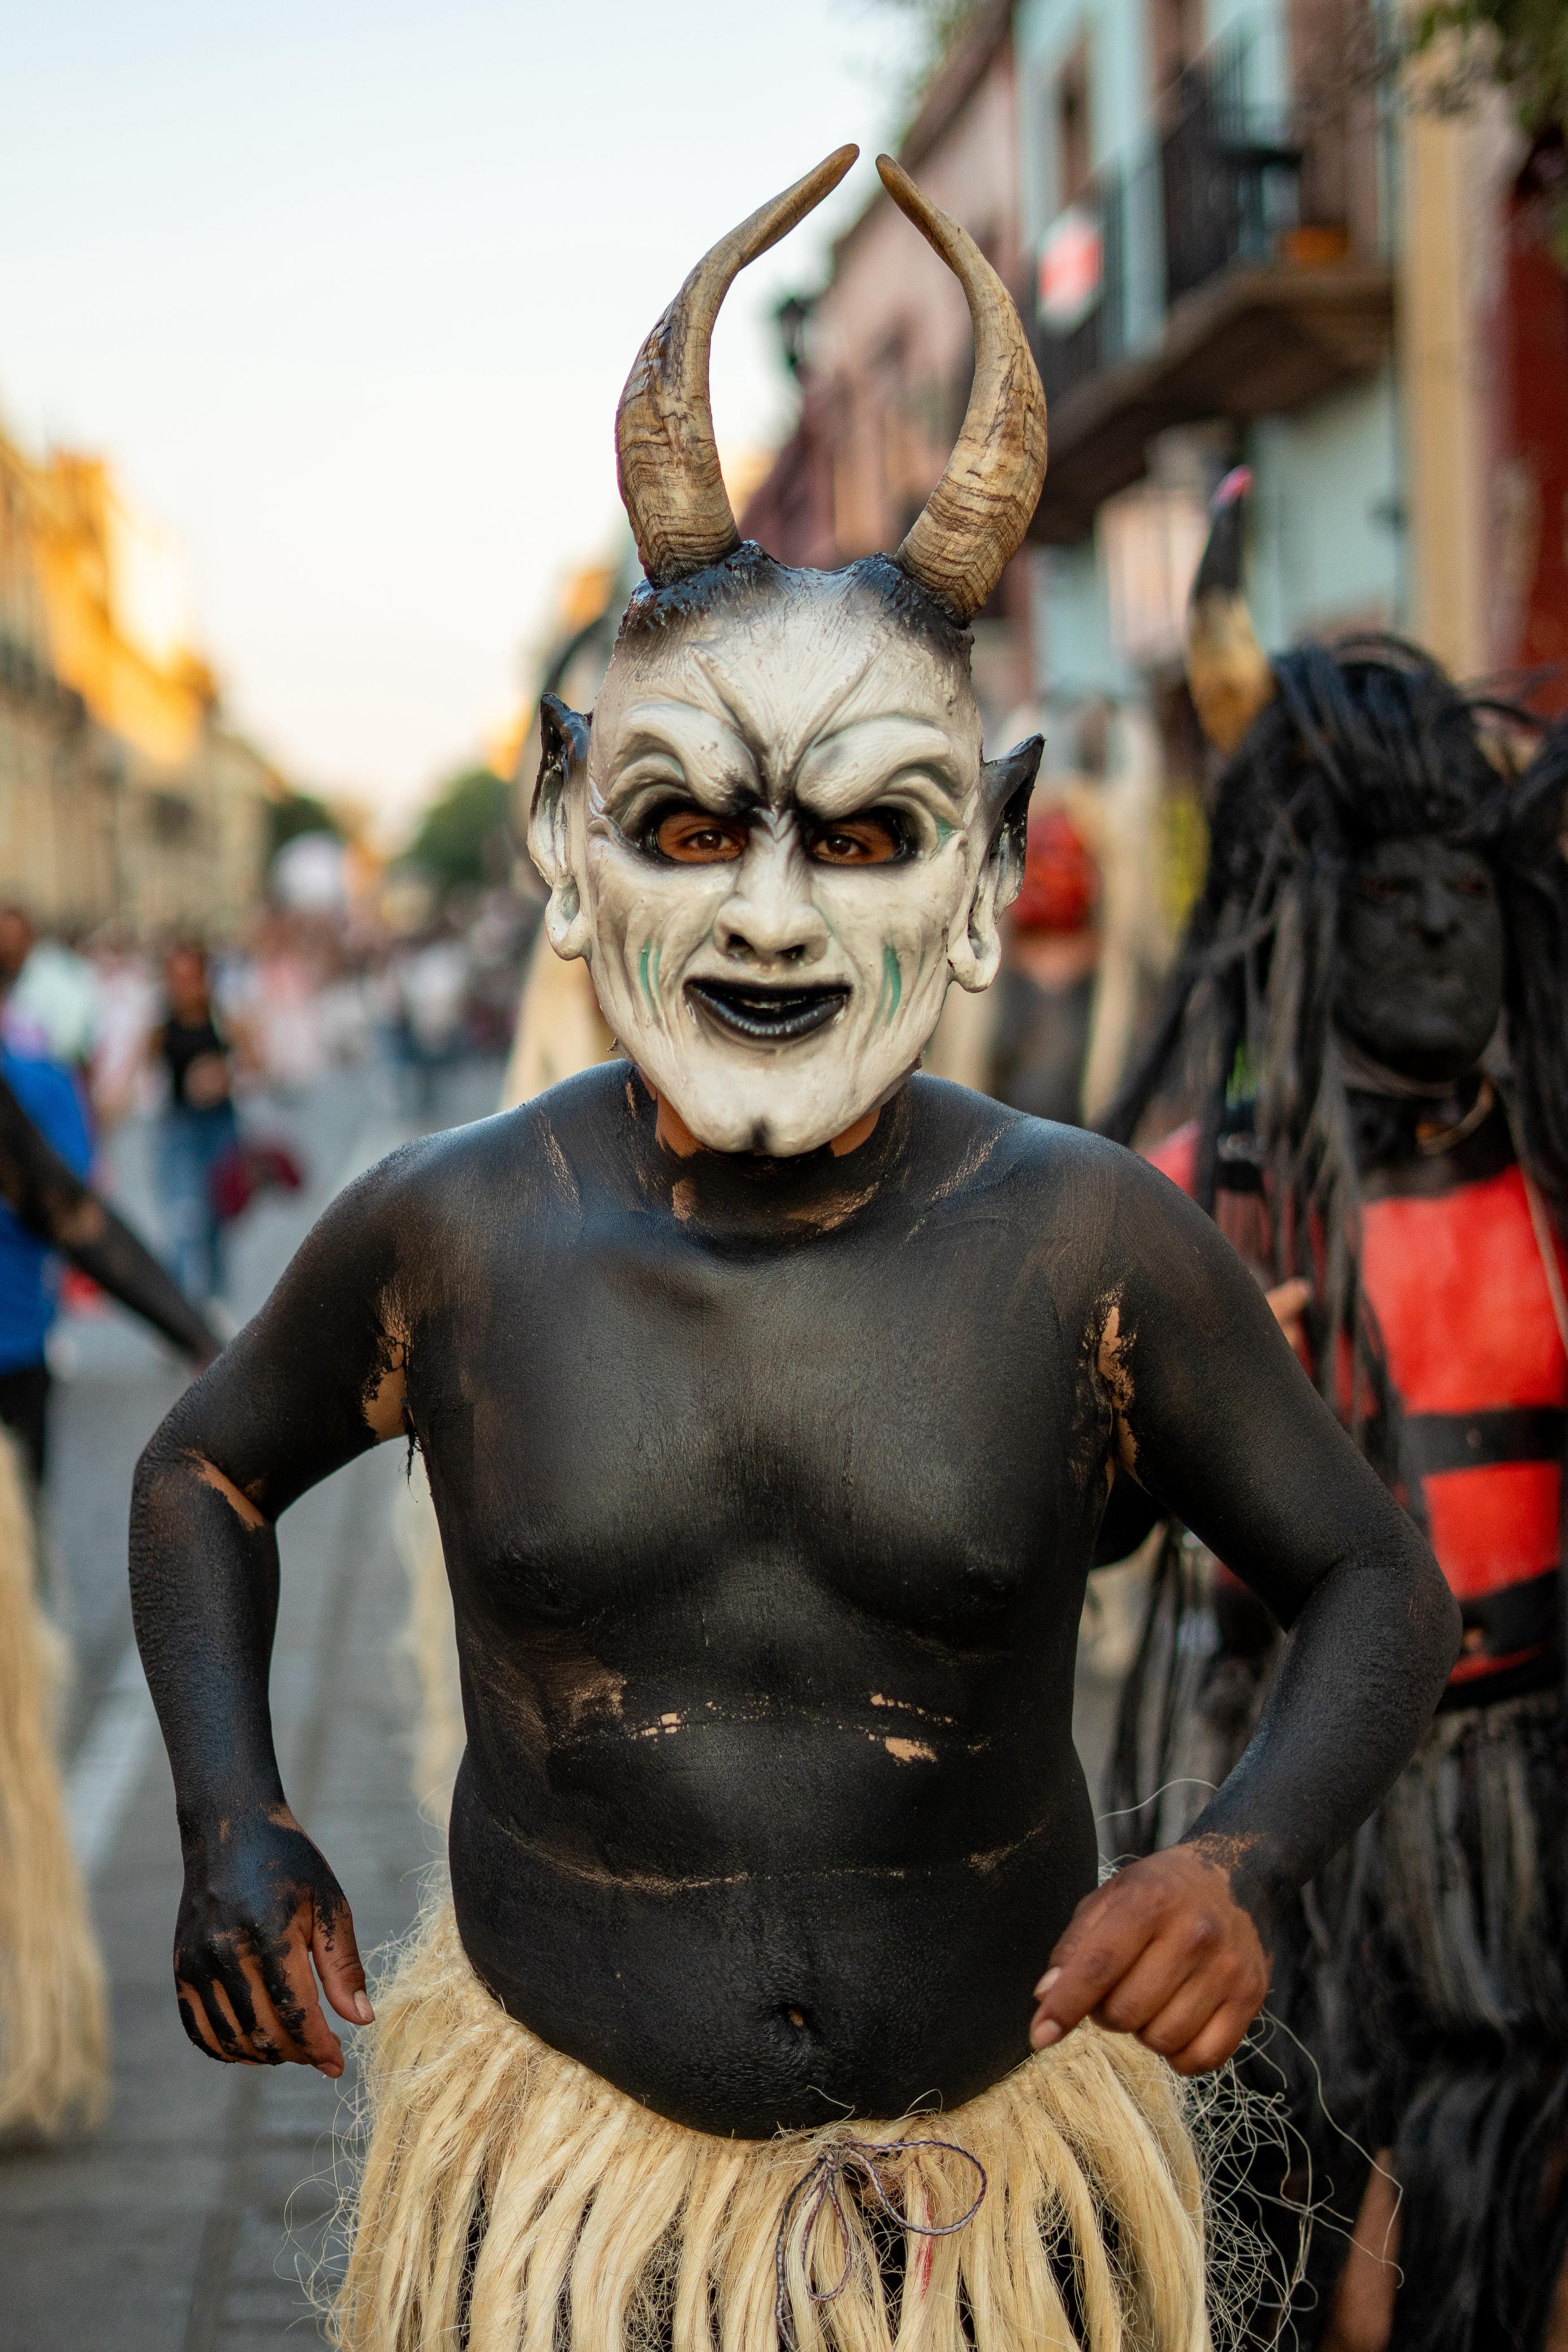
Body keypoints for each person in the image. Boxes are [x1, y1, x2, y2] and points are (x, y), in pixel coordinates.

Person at [129, 154, 1457, 2352]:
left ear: (983, 869)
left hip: (989, 2198)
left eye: (860, 833)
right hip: (565, 2191)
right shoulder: (453, 1229)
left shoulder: (1083, 1240)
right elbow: (201, 1468)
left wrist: (1240, 1857)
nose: (766, 915)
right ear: (565, 837)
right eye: (686, 823)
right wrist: (227, 1814)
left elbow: (1373, 1576)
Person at [1101, 472, 1568, 2352]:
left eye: (1469, 896)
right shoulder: (1198, 1201)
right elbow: (1077, 1522)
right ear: (1302, 915)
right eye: (1392, 900)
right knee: (1329, 2253)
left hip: (1539, 1777)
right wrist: (1163, 1432)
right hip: (1306, 1808)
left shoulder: (1550, 1180)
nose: (1440, 937)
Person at [153, 940, 242, 1304]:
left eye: (191, 977)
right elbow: (129, 1076)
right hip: (180, 1129)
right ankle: (182, 1306)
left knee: (217, 1220)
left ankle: (216, 1301)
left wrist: (224, 1073)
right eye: (176, 978)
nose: (184, 987)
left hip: (221, 1127)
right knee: (184, 1218)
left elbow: (259, 1064)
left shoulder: (223, 1022)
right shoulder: (161, 1029)